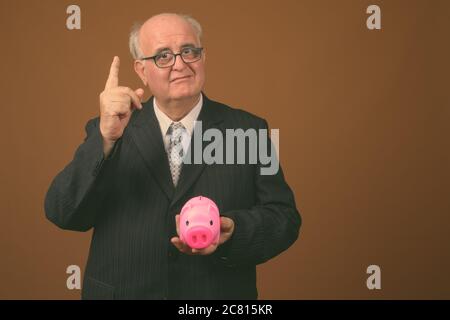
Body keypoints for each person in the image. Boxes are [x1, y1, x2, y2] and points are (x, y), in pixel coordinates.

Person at [45, 13, 301, 300]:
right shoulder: (109, 128)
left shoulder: (248, 129)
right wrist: (105, 139)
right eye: (163, 56)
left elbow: (284, 218)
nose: (180, 64)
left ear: (203, 58)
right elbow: (63, 212)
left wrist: (233, 231)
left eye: (189, 51)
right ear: (141, 70)